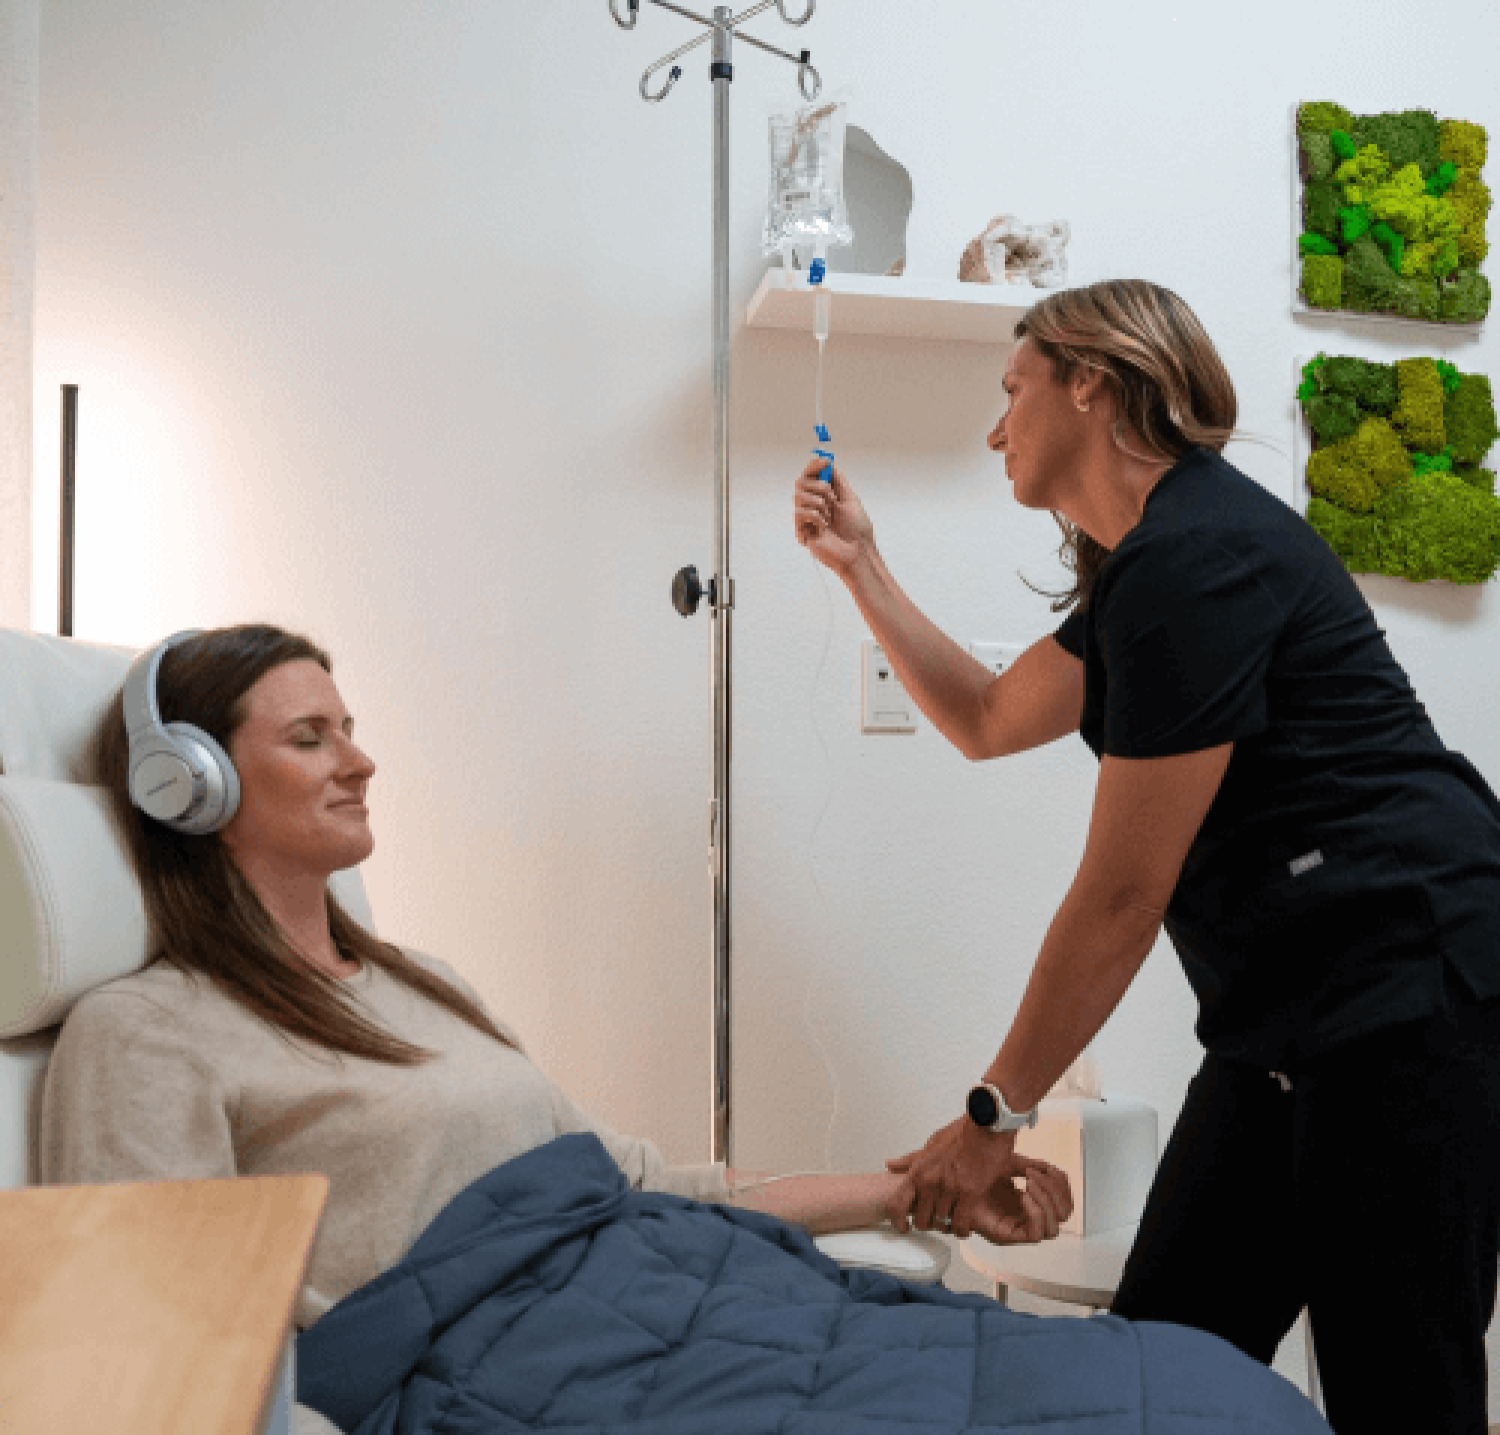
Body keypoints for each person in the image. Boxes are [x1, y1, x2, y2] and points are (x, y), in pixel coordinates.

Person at [792, 277, 1500, 1435]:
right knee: (1161, 1362)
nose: (994, 426)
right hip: (1288, 1020)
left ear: (1092, 381)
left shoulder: (1199, 558)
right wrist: (860, 565)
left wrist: (991, 1111)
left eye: (1012, 388)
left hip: (1410, 997)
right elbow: (982, 715)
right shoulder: (1153, 568)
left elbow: (1123, 896)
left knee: (1400, 1391)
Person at [38, 625, 1073, 1332]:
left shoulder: (423, 983)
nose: (359, 763)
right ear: (188, 788)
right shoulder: (147, 1033)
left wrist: (916, 1193)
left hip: (649, 1289)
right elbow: (164, 1345)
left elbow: (639, 1184)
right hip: (520, 1360)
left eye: (348, 729)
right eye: (310, 738)